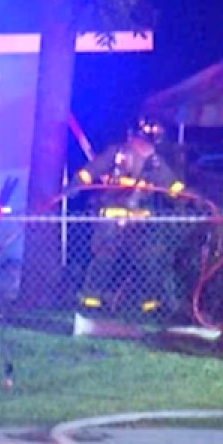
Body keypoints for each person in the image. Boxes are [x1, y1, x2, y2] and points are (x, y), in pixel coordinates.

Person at [72, 115, 193, 325]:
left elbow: (170, 185)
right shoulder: (116, 154)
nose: (144, 148)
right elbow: (91, 171)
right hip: (112, 216)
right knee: (104, 259)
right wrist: (76, 184)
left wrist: (189, 197)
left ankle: (149, 306)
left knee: (147, 262)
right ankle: (90, 302)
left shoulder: (154, 162)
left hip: (140, 221)